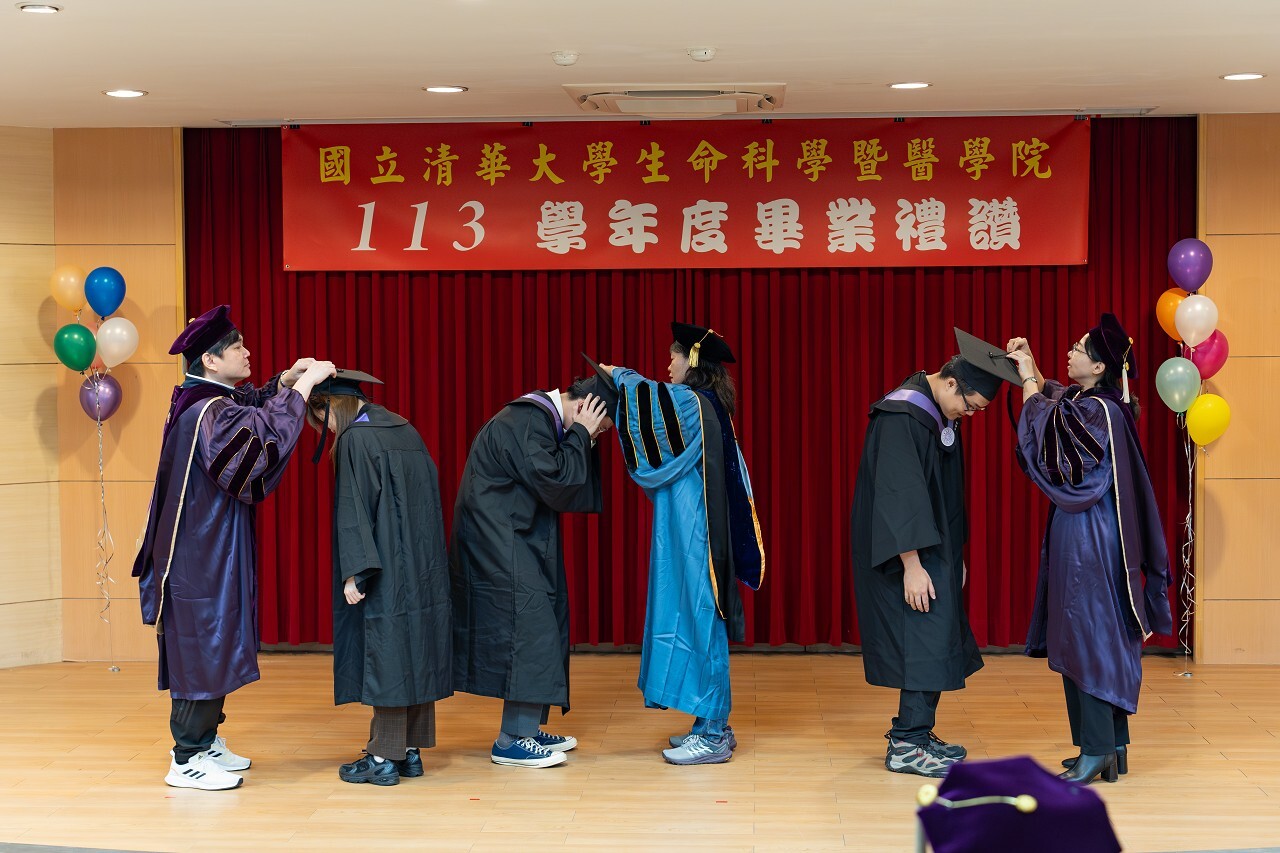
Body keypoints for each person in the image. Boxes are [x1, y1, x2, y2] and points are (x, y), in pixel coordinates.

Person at [132, 304, 335, 791]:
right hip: (199, 552)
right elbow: (257, 444)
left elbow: (247, 409)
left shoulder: (204, 399)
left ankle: (204, 742)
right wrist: (303, 390)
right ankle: (186, 757)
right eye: (238, 347)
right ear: (210, 360)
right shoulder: (207, 411)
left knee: (216, 638)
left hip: (208, 543)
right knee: (203, 643)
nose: (247, 353)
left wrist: (284, 382)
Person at [1005, 314, 1172, 784]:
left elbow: (1050, 444)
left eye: (1079, 349)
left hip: (1089, 537)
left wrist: (1027, 381)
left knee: (1087, 634)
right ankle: (1110, 746)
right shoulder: (1097, 404)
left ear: (1099, 367)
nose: (1070, 352)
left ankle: (1096, 750)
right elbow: (1056, 403)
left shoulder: (1098, 411)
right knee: (1097, 633)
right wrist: (1032, 369)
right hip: (1094, 532)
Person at [850, 328, 1018, 778]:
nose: (970, 415)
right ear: (950, 382)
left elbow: (948, 495)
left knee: (937, 635)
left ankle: (919, 734)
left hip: (933, 546)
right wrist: (911, 564)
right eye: (971, 405)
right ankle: (906, 743)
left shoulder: (937, 412)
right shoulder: (902, 415)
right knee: (922, 639)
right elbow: (897, 494)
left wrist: (954, 556)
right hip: (906, 551)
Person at [600, 322, 766, 766]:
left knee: (701, 618)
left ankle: (712, 734)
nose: (668, 365)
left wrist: (620, 374)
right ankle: (712, 724)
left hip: (700, 531)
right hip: (694, 524)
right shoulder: (706, 403)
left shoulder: (691, 402)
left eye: (673, 356)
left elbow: (649, 401)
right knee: (695, 616)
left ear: (692, 360)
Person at [449, 370, 614, 768]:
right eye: (601, 427)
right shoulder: (527, 420)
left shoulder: (538, 420)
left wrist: (581, 435)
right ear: (584, 407)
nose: (599, 435)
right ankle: (511, 740)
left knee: (545, 621)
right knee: (530, 629)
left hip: (513, 535)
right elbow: (556, 480)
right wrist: (581, 434)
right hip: (494, 540)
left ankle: (528, 728)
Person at [304, 370, 453, 787]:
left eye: (323, 421)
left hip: (384, 564)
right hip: (422, 565)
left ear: (329, 407)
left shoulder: (357, 438)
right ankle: (410, 751)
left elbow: (355, 507)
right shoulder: (404, 428)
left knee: (387, 653)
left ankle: (383, 757)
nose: (328, 431)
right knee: (414, 648)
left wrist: (356, 571)